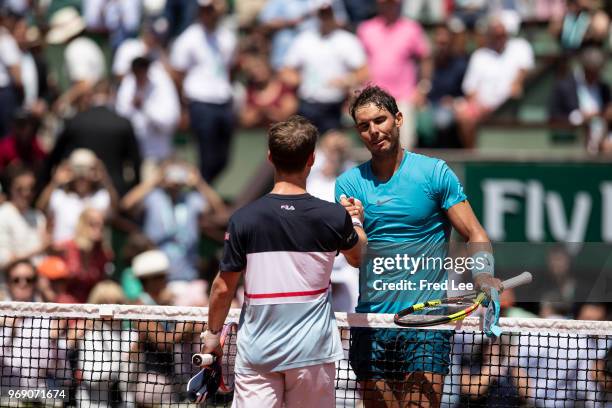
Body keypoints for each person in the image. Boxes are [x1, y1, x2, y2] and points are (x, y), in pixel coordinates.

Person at [335, 85, 502, 407]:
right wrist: (353, 227)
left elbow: (475, 233)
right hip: (372, 322)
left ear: (398, 119)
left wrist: (483, 278)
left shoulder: (434, 172)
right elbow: (356, 260)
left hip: (427, 324)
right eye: (364, 126)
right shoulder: (348, 184)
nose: (374, 131)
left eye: (380, 120)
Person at [201, 115, 367, 407]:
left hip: (259, 353)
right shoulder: (333, 217)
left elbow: (222, 288)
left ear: (269, 158)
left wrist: (212, 335)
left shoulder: (243, 219)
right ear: (311, 159)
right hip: (312, 354)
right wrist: (355, 220)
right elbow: (358, 257)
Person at [121, 160, 226, 306]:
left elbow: (221, 213)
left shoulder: (192, 199)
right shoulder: (153, 198)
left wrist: (199, 183)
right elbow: (126, 205)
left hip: (187, 282)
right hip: (155, 282)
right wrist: (153, 180)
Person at [170, 0, 237, 183]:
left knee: (224, 158)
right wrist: (183, 106)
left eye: (211, 9)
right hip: (200, 102)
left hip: (223, 100)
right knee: (207, 156)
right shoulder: (188, 39)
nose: (208, 13)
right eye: (205, 9)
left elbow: (230, 68)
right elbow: (177, 73)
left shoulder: (227, 37)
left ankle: (203, 188)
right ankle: (203, 196)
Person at [281, 0, 368, 134]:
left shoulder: (347, 41)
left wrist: (346, 80)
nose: (325, 17)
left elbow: (364, 72)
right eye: (322, 13)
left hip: (335, 106)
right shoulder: (304, 40)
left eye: (328, 13)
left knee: (332, 145)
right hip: (308, 104)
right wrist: (301, 80)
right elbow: (286, 71)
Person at [357, 0, 432, 149]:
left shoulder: (412, 28)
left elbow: (426, 57)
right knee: (374, 144)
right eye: (385, 3)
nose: (389, 7)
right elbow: (358, 63)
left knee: (405, 143)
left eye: (392, 3)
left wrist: (423, 88)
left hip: (404, 97)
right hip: (372, 96)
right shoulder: (366, 29)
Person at [455, 15, 535, 148]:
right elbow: (470, 89)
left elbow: (525, 70)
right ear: (489, 36)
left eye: (502, 34)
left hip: (510, 107)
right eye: (495, 35)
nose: (499, 38)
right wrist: (480, 106)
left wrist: (517, 83)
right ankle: (474, 154)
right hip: (482, 109)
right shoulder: (479, 56)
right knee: (463, 114)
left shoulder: (520, 47)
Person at [38, 148, 118, 243]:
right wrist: (55, 182)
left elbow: (115, 210)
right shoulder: (60, 196)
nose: (82, 177)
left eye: (86, 171)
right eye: (78, 171)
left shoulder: (100, 197)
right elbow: (41, 208)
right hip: (63, 253)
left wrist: (105, 179)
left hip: (89, 254)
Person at [57, 207, 113, 303]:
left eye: (101, 225)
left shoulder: (104, 254)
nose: (98, 229)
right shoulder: (65, 248)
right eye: (93, 224)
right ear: (82, 225)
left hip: (91, 309)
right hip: (65, 307)